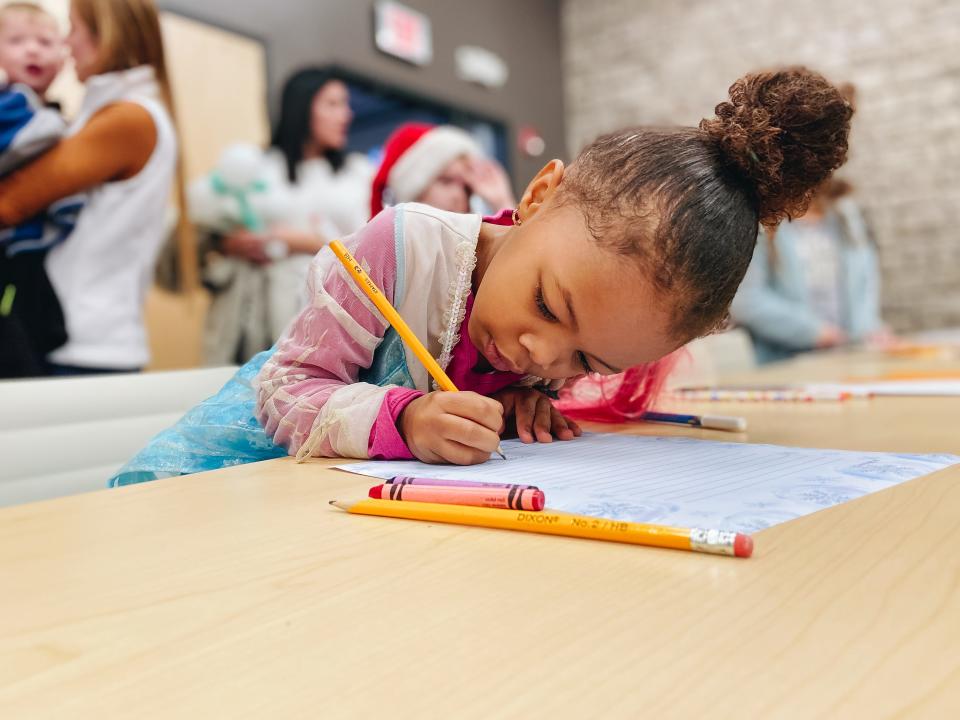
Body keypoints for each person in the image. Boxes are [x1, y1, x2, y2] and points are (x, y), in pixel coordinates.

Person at [111, 66, 851, 482]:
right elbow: (288, 389)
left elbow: (522, 374)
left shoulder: (548, 343)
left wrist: (526, 401)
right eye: (547, 305)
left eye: (587, 360)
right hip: (232, 475)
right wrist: (402, 419)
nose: (540, 354)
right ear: (534, 196)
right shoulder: (401, 246)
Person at [0, 0, 187, 375]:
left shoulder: (127, 118)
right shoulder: (95, 113)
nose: (66, 44)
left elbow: (10, 204)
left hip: (84, 343)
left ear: (106, 35)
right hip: (69, 335)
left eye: (73, 29)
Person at [198, 68, 373, 364]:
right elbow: (214, 231)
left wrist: (302, 242)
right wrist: (232, 245)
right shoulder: (261, 167)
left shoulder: (356, 175)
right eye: (332, 104)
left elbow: (371, 246)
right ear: (302, 107)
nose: (346, 115)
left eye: (345, 105)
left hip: (330, 318)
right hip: (255, 318)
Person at [730, 176, 889, 364]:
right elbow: (745, 299)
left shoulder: (846, 211)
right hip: (785, 361)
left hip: (850, 356)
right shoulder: (761, 217)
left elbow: (865, 279)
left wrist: (869, 327)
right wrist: (813, 331)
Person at [0, 1, 78, 376]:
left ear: (63, 57)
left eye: (45, 42)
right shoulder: (12, 103)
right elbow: (29, 140)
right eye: (16, 41)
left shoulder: (41, 107)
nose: (32, 49)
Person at [370, 122, 516, 217]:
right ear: (416, 189)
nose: (458, 196)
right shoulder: (388, 252)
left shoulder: (474, 253)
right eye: (446, 181)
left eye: (467, 189)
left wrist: (502, 203)